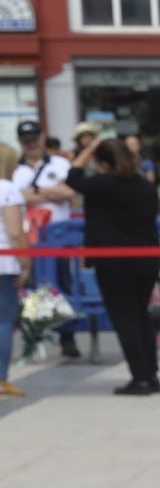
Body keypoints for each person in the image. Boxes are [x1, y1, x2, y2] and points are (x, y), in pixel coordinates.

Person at [65, 139, 160, 396]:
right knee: (140, 315)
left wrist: (89, 147)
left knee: (125, 318)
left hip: (114, 261)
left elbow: (72, 176)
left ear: (102, 163)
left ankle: (140, 377)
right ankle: (150, 373)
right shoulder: (145, 186)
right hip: (147, 259)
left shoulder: (101, 185)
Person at [12, 120, 81, 359]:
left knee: (62, 288)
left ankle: (68, 338)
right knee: (27, 292)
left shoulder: (60, 163)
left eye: (34, 138)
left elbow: (69, 192)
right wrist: (50, 192)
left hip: (57, 238)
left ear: (42, 138)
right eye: (26, 140)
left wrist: (35, 193)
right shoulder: (15, 168)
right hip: (27, 239)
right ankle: (32, 343)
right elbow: (14, 197)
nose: (31, 144)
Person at [0, 142, 25, 397]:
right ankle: (1, 377)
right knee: (3, 322)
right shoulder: (8, 189)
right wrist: (26, 262)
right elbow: (15, 231)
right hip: (4, 261)